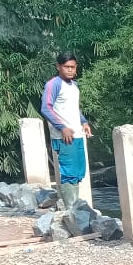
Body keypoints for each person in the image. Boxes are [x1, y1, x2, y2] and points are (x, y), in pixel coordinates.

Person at [41, 52, 93, 210]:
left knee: (78, 172)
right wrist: (62, 127)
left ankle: (76, 209)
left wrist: (84, 122)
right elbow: (46, 108)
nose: (70, 70)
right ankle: (71, 210)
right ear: (58, 67)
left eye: (73, 67)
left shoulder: (74, 85)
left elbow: (73, 108)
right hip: (63, 137)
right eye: (66, 67)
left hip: (77, 134)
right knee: (69, 172)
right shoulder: (53, 84)